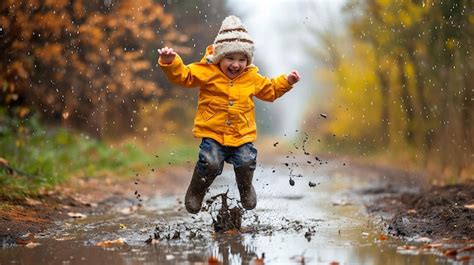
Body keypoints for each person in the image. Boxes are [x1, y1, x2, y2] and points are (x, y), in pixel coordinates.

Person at [158, 15, 301, 214]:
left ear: (248, 61)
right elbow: (185, 76)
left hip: (242, 134)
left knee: (246, 162)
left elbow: (269, 90)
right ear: (219, 57)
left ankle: (245, 188)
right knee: (210, 162)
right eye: (230, 58)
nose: (236, 64)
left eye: (242, 60)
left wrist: (287, 81)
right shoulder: (207, 70)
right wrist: (170, 62)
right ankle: (197, 190)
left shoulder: (251, 77)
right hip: (214, 132)